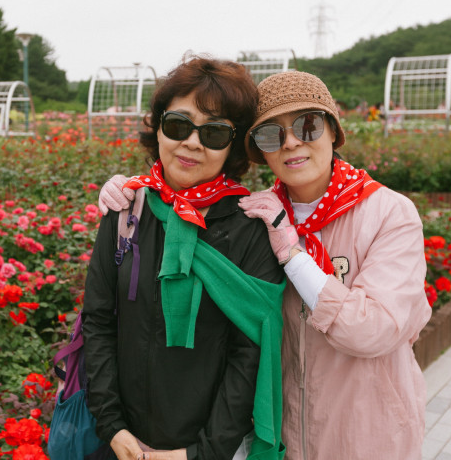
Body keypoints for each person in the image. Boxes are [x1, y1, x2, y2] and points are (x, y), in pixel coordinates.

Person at [99, 71, 432, 459]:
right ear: (259, 150)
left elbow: (371, 331)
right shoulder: (257, 215)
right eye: (271, 134)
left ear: (333, 131)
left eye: (308, 125)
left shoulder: (388, 213)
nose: (291, 142)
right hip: (285, 435)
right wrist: (129, 190)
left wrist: (292, 255)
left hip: (368, 432)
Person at [84, 56, 286, 460]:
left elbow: (249, 354)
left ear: (232, 145)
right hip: (123, 444)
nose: (192, 142)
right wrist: (112, 426)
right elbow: (99, 322)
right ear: (158, 127)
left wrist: (199, 454)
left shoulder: (250, 229)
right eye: (179, 125)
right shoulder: (126, 211)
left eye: (214, 132)